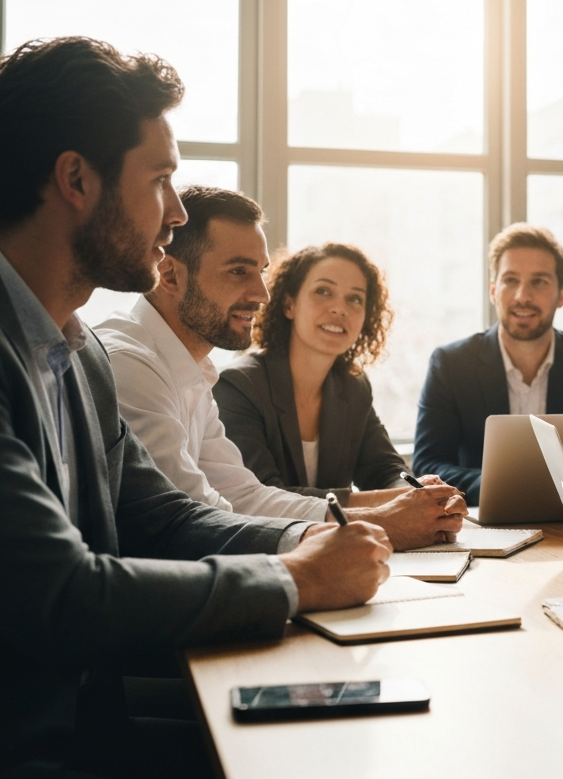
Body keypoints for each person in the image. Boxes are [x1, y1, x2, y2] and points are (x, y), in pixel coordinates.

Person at [0, 38, 391, 779]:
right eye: (161, 180)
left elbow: (165, 518)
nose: (176, 214)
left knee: (342, 754)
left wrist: (309, 536)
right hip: (27, 760)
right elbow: (61, 598)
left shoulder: (75, 354)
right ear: (75, 179)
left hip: (90, 732)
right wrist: (293, 579)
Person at [98, 188, 466, 551]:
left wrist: (407, 506)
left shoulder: (194, 373)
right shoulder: (132, 365)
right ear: (170, 276)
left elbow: (245, 497)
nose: (262, 293)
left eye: (260, 272)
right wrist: (380, 523)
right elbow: (191, 521)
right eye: (239, 271)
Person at [214, 241, 465, 545]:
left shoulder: (353, 387)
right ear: (289, 304)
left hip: (337, 552)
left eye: (355, 299)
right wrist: (396, 501)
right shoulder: (239, 386)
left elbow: (383, 468)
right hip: (266, 552)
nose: (339, 308)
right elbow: (264, 497)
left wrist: (420, 491)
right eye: (323, 291)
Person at [412, 223, 563, 505]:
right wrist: (503, 487)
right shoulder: (451, 365)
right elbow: (429, 466)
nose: (522, 296)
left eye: (538, 282)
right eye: (510, 280)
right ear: (493, 290)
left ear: (562, 294)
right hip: (483, 525)